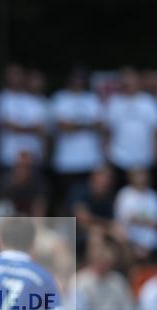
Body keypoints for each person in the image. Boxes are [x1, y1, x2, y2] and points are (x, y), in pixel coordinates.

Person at [50, 67, 104, 214]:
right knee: (65, 199)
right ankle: (64, 232)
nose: (78, 81)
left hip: (90, 160)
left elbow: (100, 125)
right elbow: (62, 126)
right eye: (75, 78)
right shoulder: (59, 98)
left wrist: (75, 124)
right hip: (66, 162)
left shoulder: (92, 99)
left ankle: (82, 234)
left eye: (81, 78)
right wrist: (87, 124)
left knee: (86, 202)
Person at [104, 68, 157, 181]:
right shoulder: (114, 103)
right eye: (125, 81)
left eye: (132, 80)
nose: (129, 84)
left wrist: (156, 155)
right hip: (119, 159)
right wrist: (108, 155)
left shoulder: (149, 102)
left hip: (144, 159)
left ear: (138, 82)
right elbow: (108, 131)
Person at [0, 64, 49, 171]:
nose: (15, 77)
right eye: (12, 74)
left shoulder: (34, 100)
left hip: (33, 157)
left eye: (18, 74)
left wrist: (19, 127)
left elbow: (42, 129)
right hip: (8, 157)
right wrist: (31, 128)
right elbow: (6, 124)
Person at [75, 238, 134, 310]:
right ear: (93, 259)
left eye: (107, 262)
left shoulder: (118, 280)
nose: (104, 265)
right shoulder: (80, 280)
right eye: (101, 260)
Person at [114, 169, 157, 258]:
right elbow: (122, 218)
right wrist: (146, 221)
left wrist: (136, 219)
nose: (141, 179)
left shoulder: (155, 196)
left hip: (151, 239)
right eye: (138, 176)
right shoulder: (124, 194)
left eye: (143, 176)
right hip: (130, 238)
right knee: (120, 234)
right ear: (132, 178)